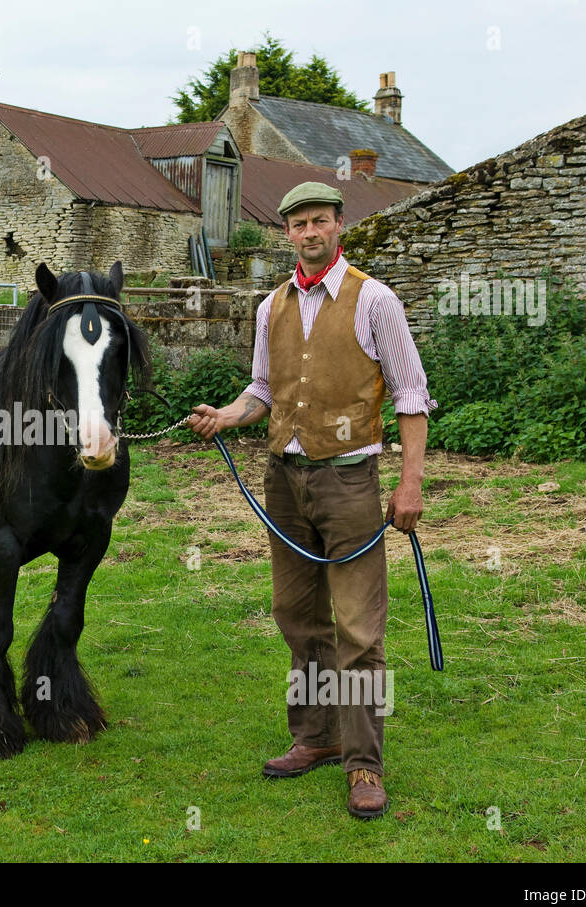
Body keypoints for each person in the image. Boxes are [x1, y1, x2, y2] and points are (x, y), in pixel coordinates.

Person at [187, 182, 436, 819]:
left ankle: (364, 766)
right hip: (284, 483)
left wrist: (409, 485)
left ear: (337, 225)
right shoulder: (272, 305)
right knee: (298, 618)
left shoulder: (373, 300)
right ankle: (316, 736)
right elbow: (263, 390)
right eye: (297, 224)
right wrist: (228, 415)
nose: (308, 232)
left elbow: (410, 396)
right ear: (287, 232)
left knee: (358, 629)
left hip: (350, 483)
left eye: (318, 221)